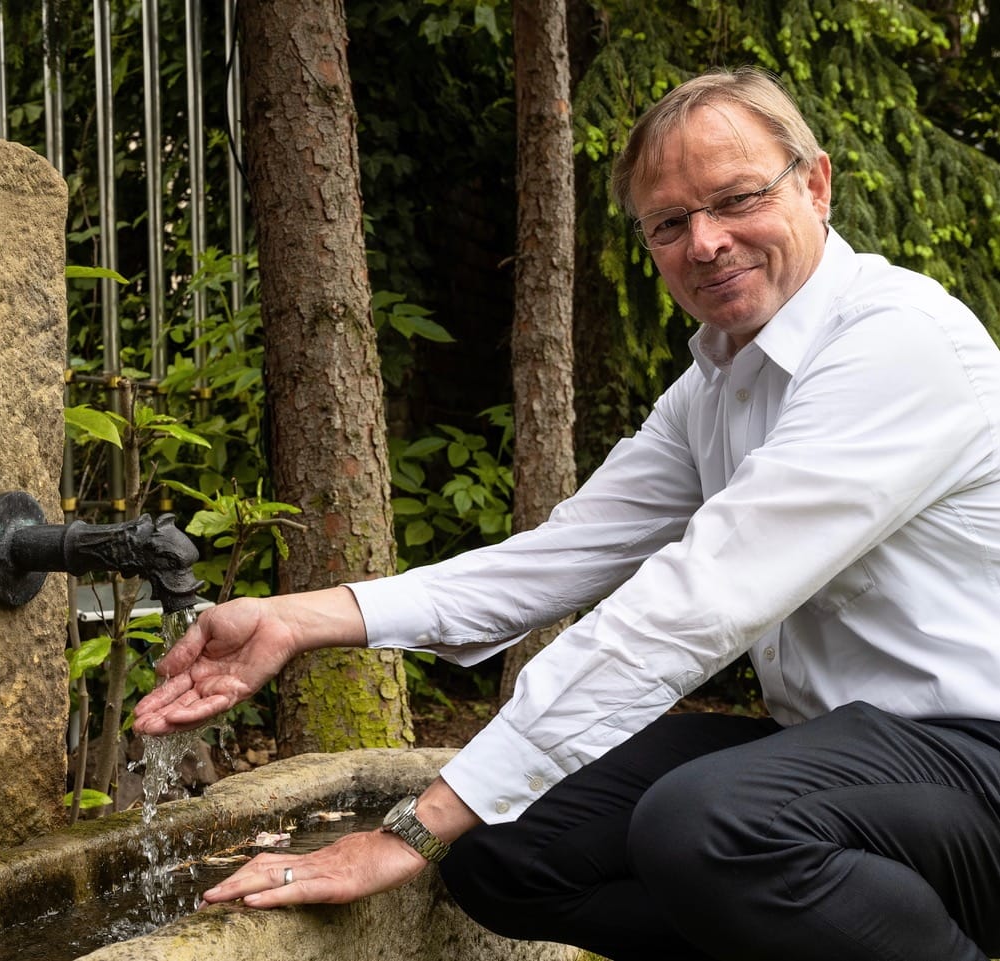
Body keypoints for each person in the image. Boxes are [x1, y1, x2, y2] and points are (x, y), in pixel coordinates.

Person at [134, 65, 1000, 961]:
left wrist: (414, 827)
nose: (705, 242)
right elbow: (558, 556)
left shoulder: (897, 344)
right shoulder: (717, 384)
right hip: (838, 751)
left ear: (814, 185)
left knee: (706, 826)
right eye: (669, 223)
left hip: (977, 759)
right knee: (503, 849)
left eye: (737, 199)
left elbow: (692, 605)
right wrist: (295, 618)